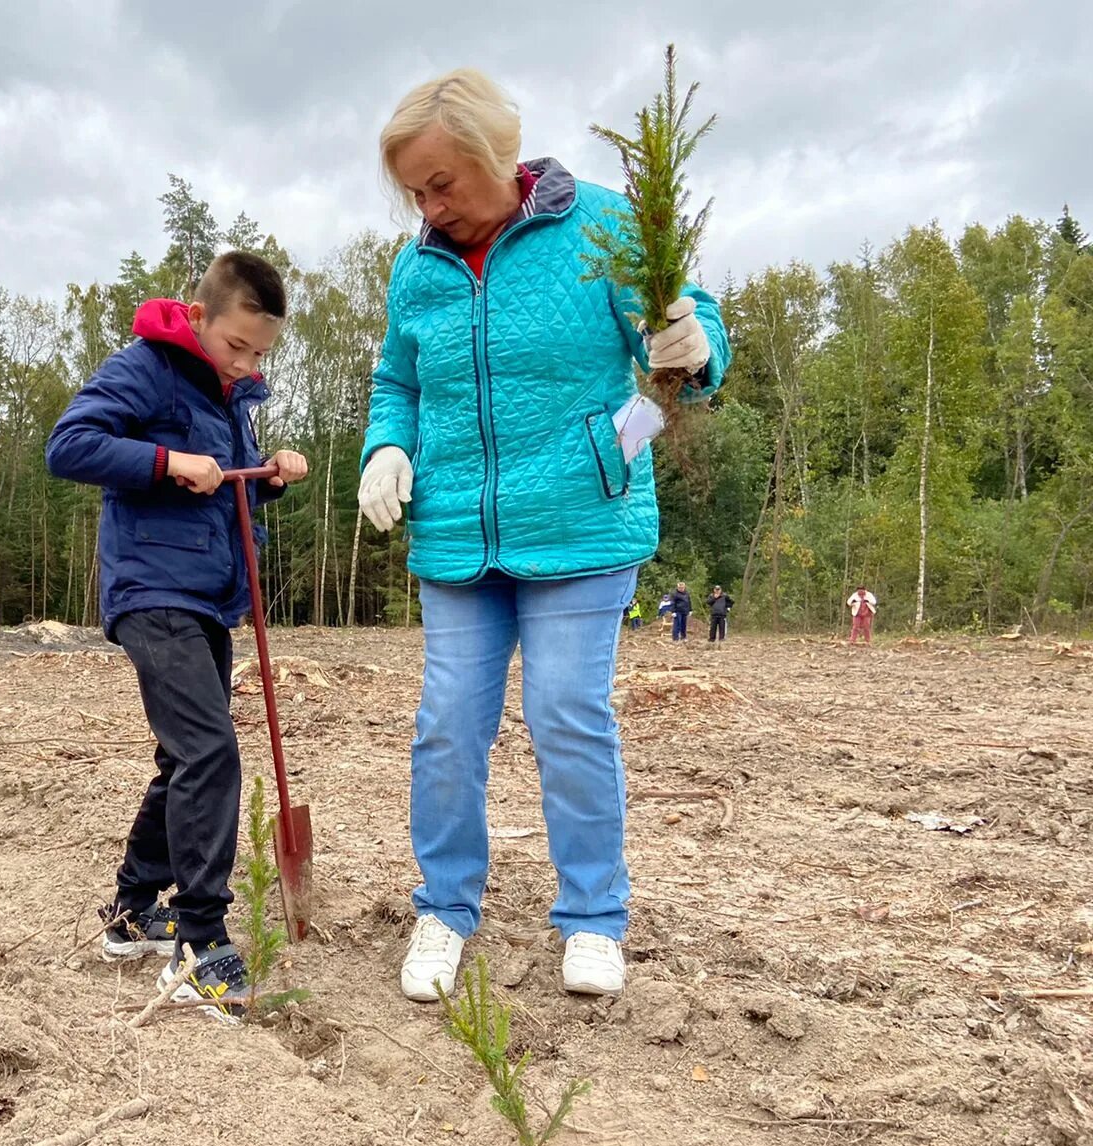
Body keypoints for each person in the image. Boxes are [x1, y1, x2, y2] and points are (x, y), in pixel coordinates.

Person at [357, 69, 729, 1001]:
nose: (429, 207)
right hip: (455, 533)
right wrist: (388, 446)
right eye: (414, 191)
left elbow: (687, 329)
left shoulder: (600, 226)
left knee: (567, 714)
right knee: (446, 729)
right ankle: (444, 910)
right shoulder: (416, 269)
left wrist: (695, 348)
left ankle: (594, 919)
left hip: (581, 522)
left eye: (442, 184)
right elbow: (396, 382)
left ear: (499, 158)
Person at [46, 251, 310, 1014]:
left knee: (184, 758)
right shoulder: (146, 368)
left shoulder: (228, 398)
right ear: (199, 318)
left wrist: (267, 475)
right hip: (151, 589)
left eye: (261, 353)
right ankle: (199, 942)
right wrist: (166, 462)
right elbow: (69, 445)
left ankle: (132, 916)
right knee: (209, 752)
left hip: (204, 595)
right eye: (237, 346)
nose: (248, 362)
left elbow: (223, 495)